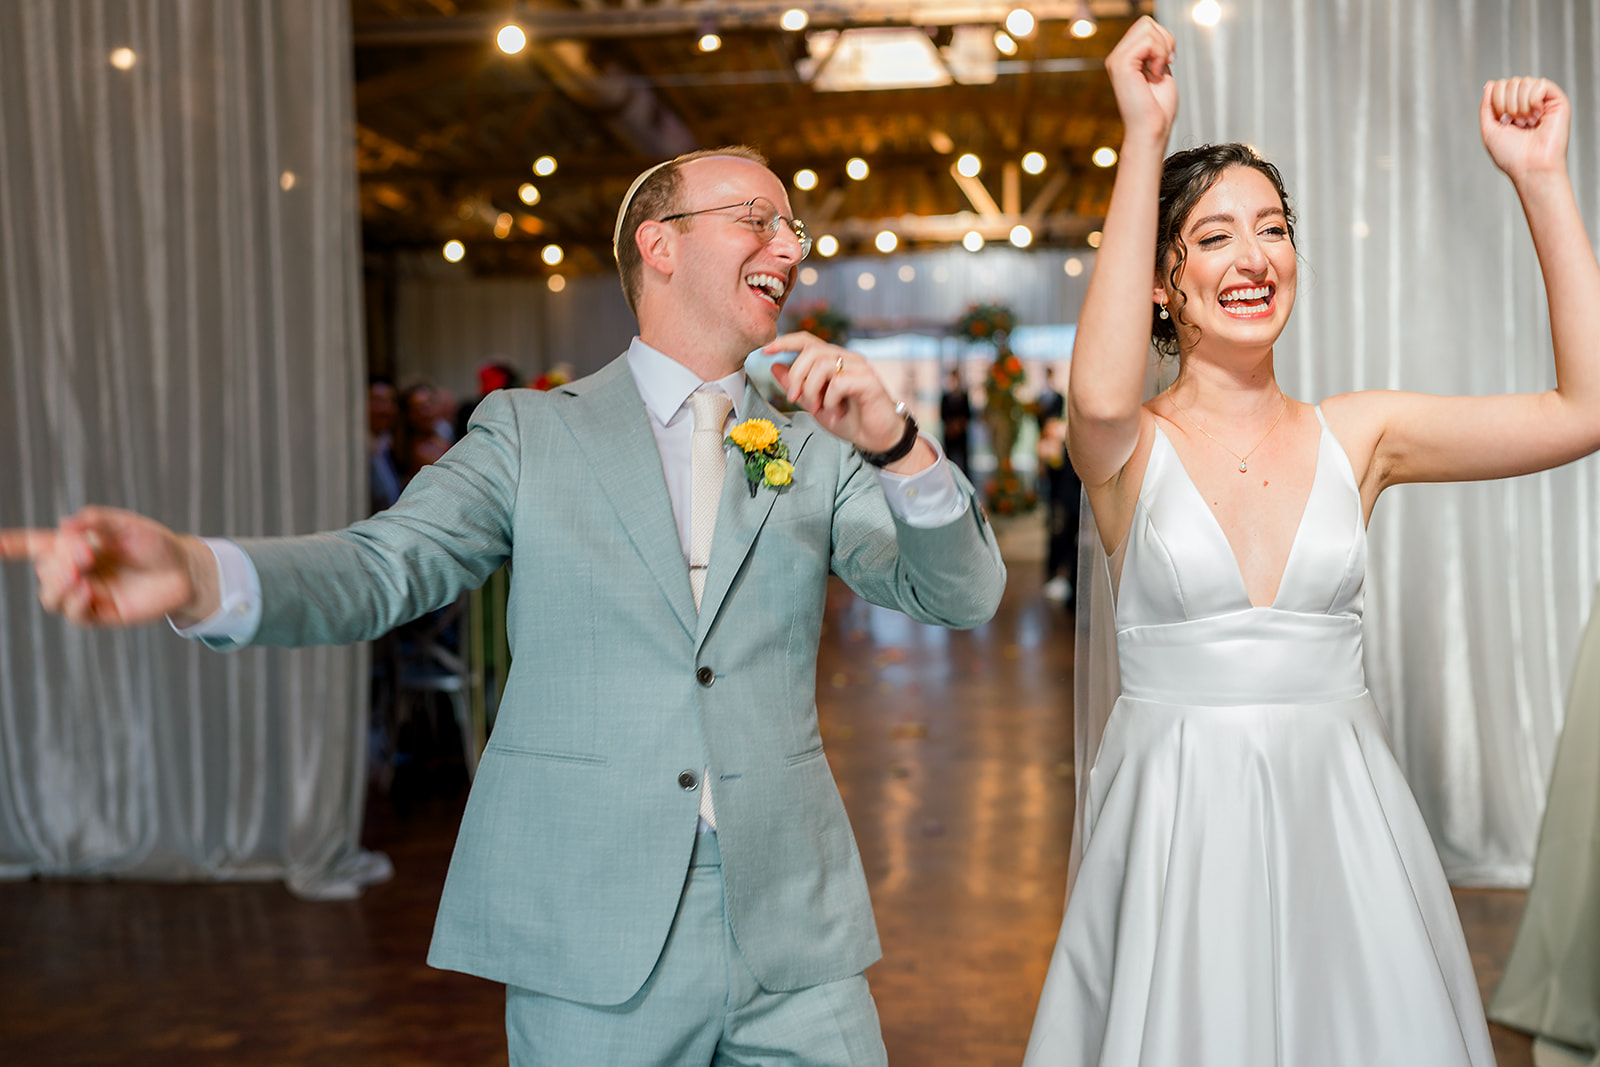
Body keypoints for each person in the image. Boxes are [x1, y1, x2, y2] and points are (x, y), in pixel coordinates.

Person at [0, 146, 1006, 1065]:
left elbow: (961, 594)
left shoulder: (818, 442)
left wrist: (898, 446)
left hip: (794, 924)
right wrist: (197, 570)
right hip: (592, 922)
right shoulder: (529, 432)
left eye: (792, 228)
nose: (788, 246)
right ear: (659, 244)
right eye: (757, 219)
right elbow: (384, 565)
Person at [1024, 16, 1600, 1066]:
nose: (1254, 257)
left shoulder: (1359, 435)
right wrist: (1143, 134)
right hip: (1177, 830)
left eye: (1274, 228)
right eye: (1212, 237)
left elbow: (1585, 408)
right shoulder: (1126, 449)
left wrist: (1541, 178)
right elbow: (1096, 391)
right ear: (1160, 282)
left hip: (1343, 823)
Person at [939, 366, 973, 476]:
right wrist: (951, 426)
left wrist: (960, 425)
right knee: (949, 460)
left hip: (962, 435)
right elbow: (943, 415)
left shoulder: (964, 397)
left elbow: (968, 415)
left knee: (964, 460)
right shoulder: (945, 397)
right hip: (949, 435)